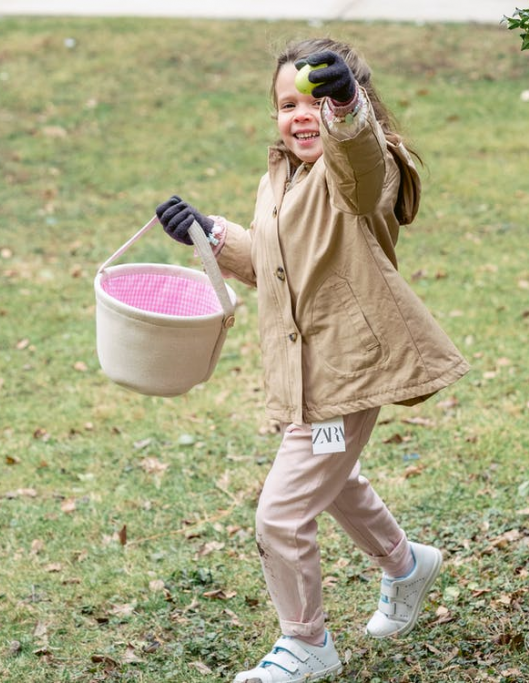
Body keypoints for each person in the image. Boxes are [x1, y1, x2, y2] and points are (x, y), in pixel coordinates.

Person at [155, 37, 469, 683]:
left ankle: (306, 641)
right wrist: (210, 233)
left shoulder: (362, 167)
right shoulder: (282, 176)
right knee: (334, 480)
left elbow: (358, 156)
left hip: (352, 366)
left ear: (349, 102)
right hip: (306, 373)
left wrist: (346, 110)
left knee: (281, 512)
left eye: (314, 100)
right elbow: (276, 266)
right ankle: (407, 563)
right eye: (285, 104)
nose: (299, 114)